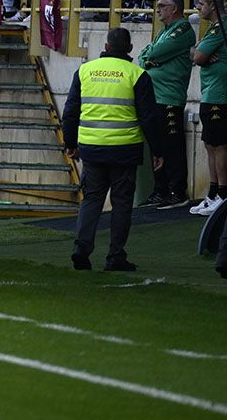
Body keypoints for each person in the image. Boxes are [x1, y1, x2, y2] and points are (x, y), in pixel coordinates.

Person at [62, 28, 163, 272]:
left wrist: (70, 144)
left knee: (92, 199)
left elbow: (71, 112)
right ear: (129, 49)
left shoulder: (85, 71)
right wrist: (157, 151)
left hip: (92, 148)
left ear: (106, 46)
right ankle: (115, 256)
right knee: (121, 203)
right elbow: (149, 118)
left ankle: (81, 249)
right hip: (124, 149)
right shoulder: (137, 74)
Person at [139, 0, 194, 209]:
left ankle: (177, 191)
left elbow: (155, 53)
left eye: (162, 5)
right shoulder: (164, 30)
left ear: (174, 9)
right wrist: (151, 59)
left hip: (170, 97)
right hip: (156, 96)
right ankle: (160, 189)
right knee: (157, 146)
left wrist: (153, 59)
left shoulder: (182, 29)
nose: (158, 9)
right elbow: (145, 57)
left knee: (173, 145)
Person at [191, 0, 227, 216]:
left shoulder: (221, 27)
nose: (198, 8)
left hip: (218, 95)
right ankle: (214, 192)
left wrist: (199, 53)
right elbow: (195, 53)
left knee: (218, 145)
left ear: (213, 6)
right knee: (209, 143)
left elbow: (197, 56)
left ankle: (223, 194)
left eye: (201, 4)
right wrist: (198, 52)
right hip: (210, 93)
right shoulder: (213, 29)